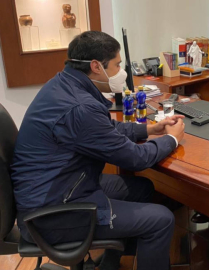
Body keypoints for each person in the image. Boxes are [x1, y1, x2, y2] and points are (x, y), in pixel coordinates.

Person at [10, 31, 185, 270]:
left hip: (55, 188)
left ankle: (116, 258)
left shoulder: (63, 85)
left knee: (142, 188)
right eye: (117, 64)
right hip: (52, 214)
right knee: (162, 219)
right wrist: (172, 140)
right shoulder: (80, 107)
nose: (121, 71)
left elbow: (105, 128)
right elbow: (136, 158)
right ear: (96, 66)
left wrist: (150, 130)